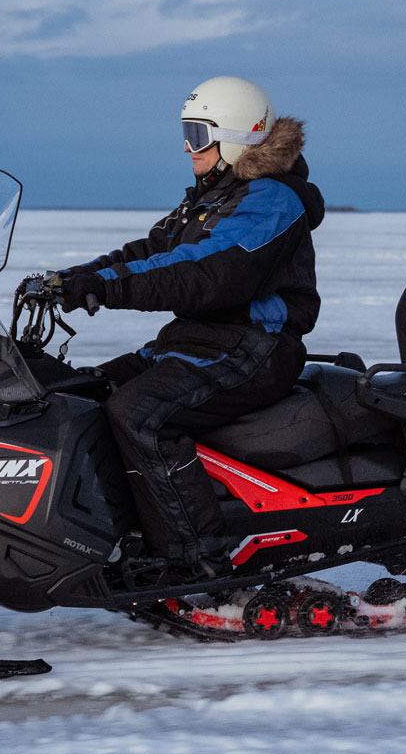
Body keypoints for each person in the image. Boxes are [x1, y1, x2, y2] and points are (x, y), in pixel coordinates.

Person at [50, 76, 325, 577]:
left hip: (253, 347)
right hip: (199, 341)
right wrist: (73, 278)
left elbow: (205, 270)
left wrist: (109, 288)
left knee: (140, 412)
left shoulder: (271, 199)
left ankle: (198, 560)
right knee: (81, 394)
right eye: (186, 132)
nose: (187, 146)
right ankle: (116, 533)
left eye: (198, 135)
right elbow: (153, 252)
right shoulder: (213, 195)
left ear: (237, 136)